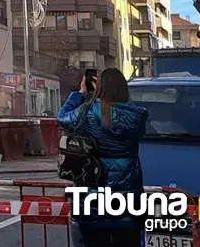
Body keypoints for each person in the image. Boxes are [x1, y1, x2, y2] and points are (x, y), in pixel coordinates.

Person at [57, 67, 148, 247]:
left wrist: (80, 94)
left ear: (99, 88)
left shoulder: (88, 111)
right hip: (128, 201)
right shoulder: (136, 116)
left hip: (93, 201)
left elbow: (62, 118)